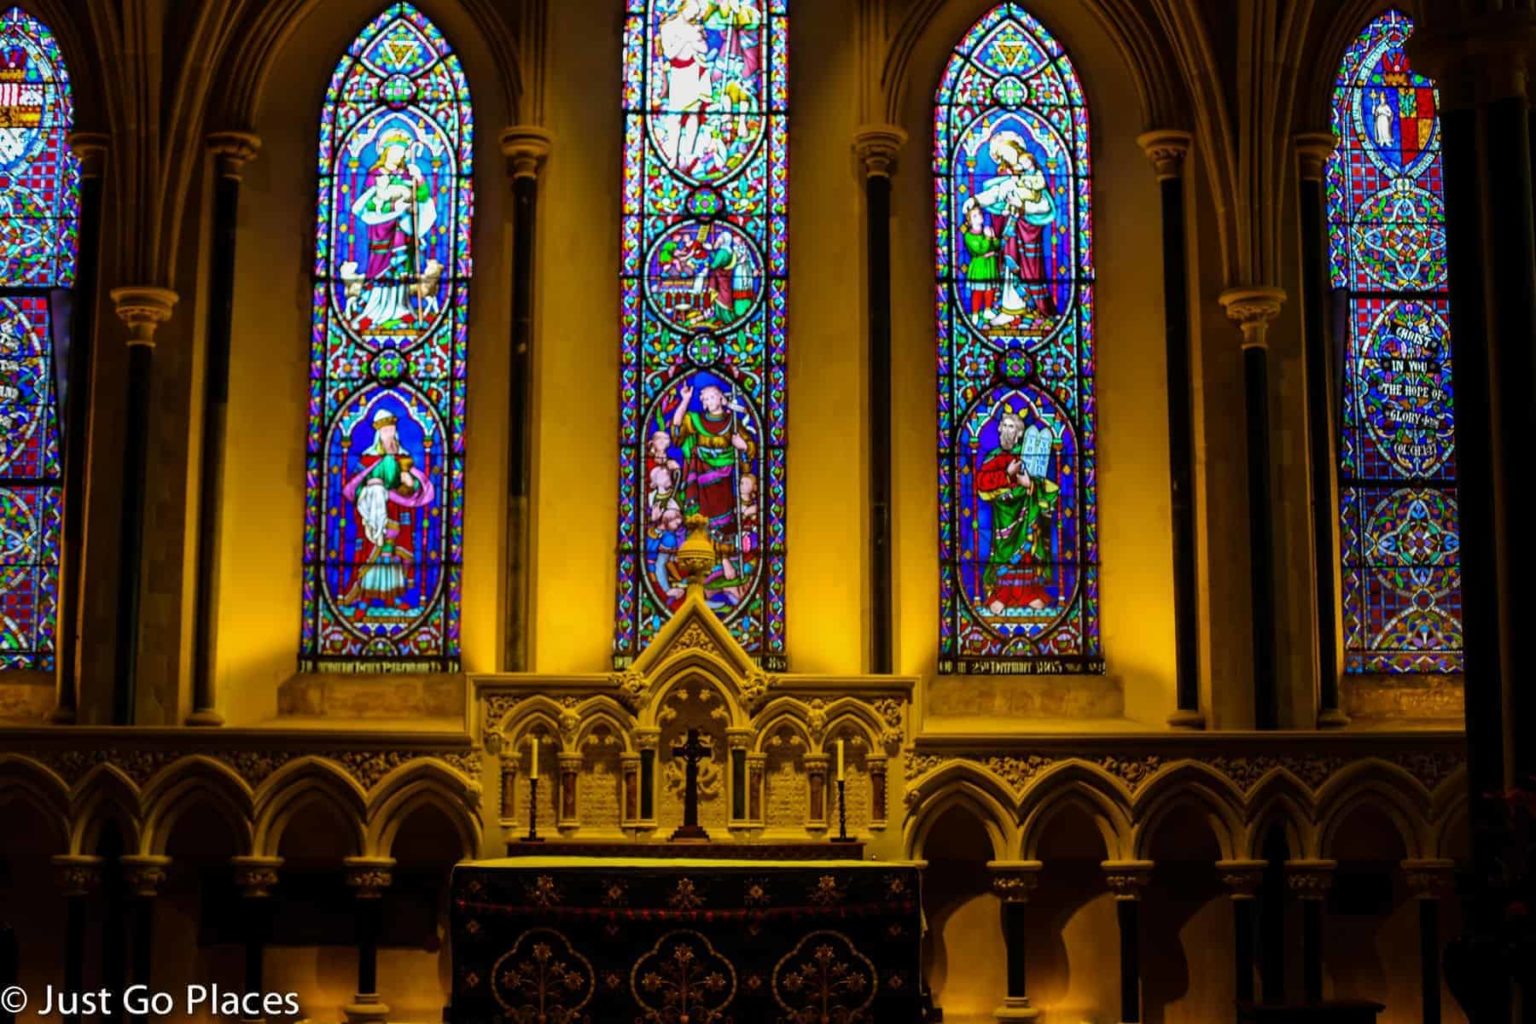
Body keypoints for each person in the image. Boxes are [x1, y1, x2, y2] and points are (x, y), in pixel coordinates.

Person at [340, 410, 435, 607]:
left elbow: (414, 487)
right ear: (379, 434)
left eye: (391, 430)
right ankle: (364, 598)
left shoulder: (404, 458)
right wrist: (371, 489)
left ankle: (393, 597)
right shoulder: (368, 459)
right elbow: (353, 487)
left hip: (397, 512)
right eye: (385, 431)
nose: (389, 434)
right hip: (372, 513)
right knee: (371, 553)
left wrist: (410, 483)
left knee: (391, 554)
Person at [670, 381, 753, 602]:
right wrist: (685, 400)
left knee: (724, 523)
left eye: (712, 397)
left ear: (721, 399)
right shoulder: (695, 421)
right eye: (704, 399)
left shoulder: (732, 423)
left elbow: (749, 449)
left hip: (724, 482)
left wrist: (742, 446)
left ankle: (727, 565)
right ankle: (709, 572)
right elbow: (677, 433)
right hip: (700, 479)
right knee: (702, 522)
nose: (708, 401)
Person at [350, 125, 436, 332]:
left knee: (401, 269)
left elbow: (422, 197)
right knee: (381, 268)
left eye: (403, 151)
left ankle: (402, 308)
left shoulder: (407, 174)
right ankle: (375, 312)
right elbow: (368, 204)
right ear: (387, 151)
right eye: (397, 150)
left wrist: (419, 178)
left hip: (403, 231)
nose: (400, 155)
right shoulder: (375, 174)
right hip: (382, 229)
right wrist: (393, 207)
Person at [975, 408, 1059, 614]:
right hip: (1003, 517)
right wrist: (1006, 475)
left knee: (1026, 554)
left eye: (1011, 426)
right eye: (1003, 425)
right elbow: (981, 482)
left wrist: (1029, 484)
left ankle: (1029, 594)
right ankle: (1001, 594)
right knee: (1003, 554)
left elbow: (1044, 486)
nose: (1006, 430)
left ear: (1020, 433)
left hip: (1025, 512)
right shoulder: (992, 456)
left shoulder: (1027, 454)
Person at [970, 130, 1056, 322]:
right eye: (1004, 157)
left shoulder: (1034, 179)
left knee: (1027, 270)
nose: (1009, 160)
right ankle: (1009, 309)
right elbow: (995, 194)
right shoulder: (1009, 181)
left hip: (1028, 235)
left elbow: (1045, 205)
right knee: (1008, 268)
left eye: (1010, 153)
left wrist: (1023, 206)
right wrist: (975, 199)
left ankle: (1028, 308)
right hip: (1011, 234)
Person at [961, 201, 1004, 326]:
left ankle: (988, 310)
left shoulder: (987, 230)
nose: (979, 216)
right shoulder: (969, 236)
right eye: (974, 215)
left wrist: (994, 238)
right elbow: (980, 249)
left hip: (990, 264)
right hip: (979, 266)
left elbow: (996, 246)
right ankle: (975, 313)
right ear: (969, 221)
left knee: (990, 288)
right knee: (978, 291)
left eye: (979, 213)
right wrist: (988, 238)